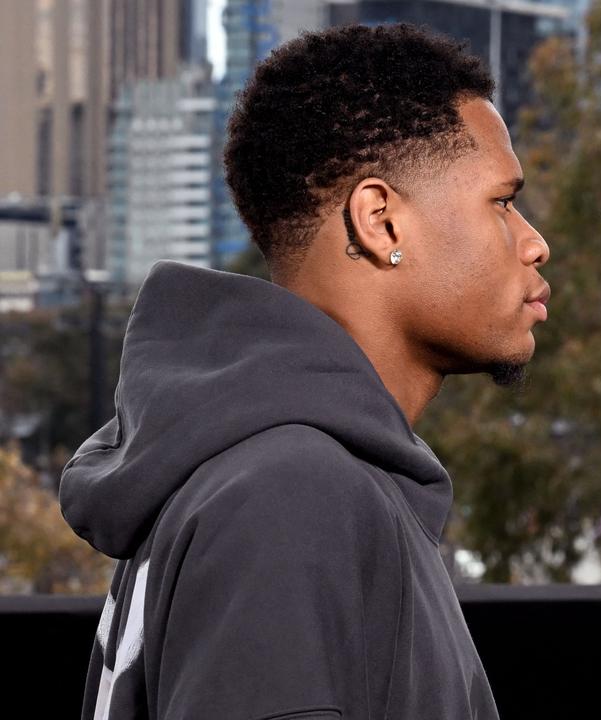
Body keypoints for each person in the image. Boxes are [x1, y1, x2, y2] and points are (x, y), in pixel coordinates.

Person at [60, 24, 549, 720]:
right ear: (380, 222)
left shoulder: (292, 475)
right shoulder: (290, 495)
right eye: (501, 201)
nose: (535, 242)